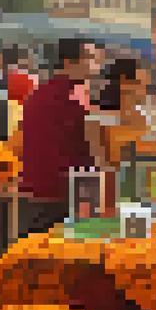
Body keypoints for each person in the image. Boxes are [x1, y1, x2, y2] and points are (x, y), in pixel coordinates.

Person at [19, 38, 100, 237]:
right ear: (68, 62)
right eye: (89, 57)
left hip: (34, 191)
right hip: (62, 195)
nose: (96, 63)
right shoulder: (73, 96)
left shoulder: (39, 93)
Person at [86, 58, 151, 207]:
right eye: (140, 84)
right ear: (123, 82)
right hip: (112, 194)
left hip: (142, 192)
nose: (145, 90)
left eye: (146, 85)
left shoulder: (141, 117)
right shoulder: (97, 117)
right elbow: (101, 165)